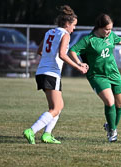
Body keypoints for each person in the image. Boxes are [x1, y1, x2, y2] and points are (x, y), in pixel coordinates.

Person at [69, 13, 121, 142]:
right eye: (106, 29)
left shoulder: (110, 36)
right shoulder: (89, 40)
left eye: (110, 29)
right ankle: (112, 131)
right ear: (99, 27)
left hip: (113, 73)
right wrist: (79, 63)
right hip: (97, 75)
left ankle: (110, 125)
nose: (109, 32)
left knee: (120, 103)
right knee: (110, 102)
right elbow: (72, 50)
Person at [23, 5, 88, 144]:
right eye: (74, 25)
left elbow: (40, 51)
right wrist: (78, 66)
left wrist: (50, 56)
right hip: (52, 73)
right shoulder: (65, 34)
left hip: (41, 72)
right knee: (56, 108)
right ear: (67, 24)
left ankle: (47, 134)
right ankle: (31, 130)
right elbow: (62, 55)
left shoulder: (49, 32)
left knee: (57, 106)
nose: (74, 29)